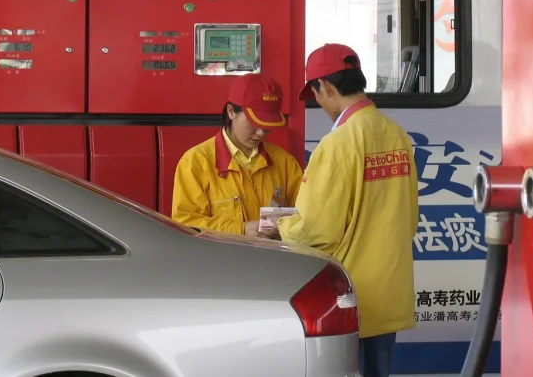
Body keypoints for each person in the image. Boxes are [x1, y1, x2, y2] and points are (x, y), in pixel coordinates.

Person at [277, 43, 418, 377]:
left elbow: (316, 230)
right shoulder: (397, 136)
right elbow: (409, 219)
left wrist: (280, 227)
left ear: (324, 85)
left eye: (315, 94)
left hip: (350, 298)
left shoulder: (337, 144)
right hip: (389, 291)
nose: (319, 104)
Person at [170, 72, 303, 237]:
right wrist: (241, 230)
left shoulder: (284, 163)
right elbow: (186, 225)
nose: (261, 133)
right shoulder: (196, 163)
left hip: (273, 260)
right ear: (231, 112)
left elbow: (305, 213)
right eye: (254, 123)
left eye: (267, 125)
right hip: (222, 261)